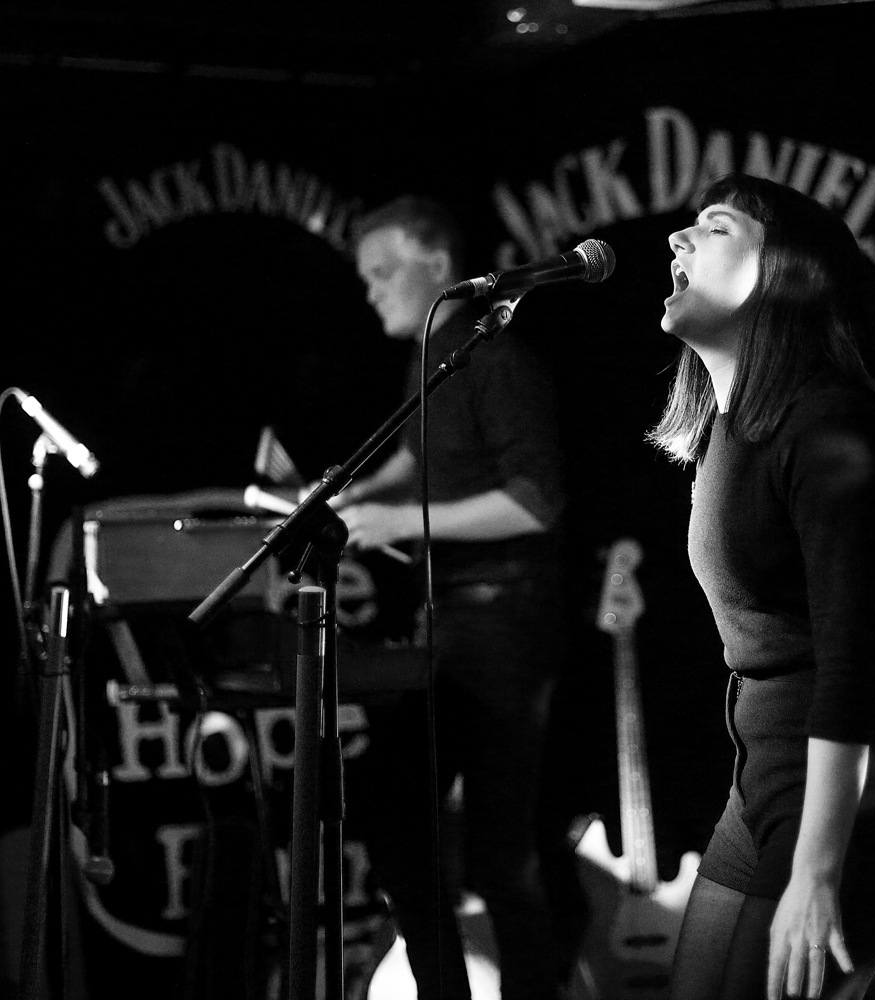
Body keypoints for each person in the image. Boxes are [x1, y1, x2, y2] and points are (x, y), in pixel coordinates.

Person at [650, 173, 875, 1000]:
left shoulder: (829, 424)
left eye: (715, 228)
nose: (678, 239)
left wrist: (818, 872)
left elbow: (854, 666)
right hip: (766, 783)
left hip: (862, 801)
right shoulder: (730, 432)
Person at [336, 195, 568, 1000]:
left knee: (502, 852)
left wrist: (397, 519)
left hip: (505, 620)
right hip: (452, 620)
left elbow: (535, 501)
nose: (371, 292)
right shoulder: (436, 356)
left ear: (436, 266)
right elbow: (419, 458)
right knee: (396, 823)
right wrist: (347, 498)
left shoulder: (496, 360)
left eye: (382, 272)